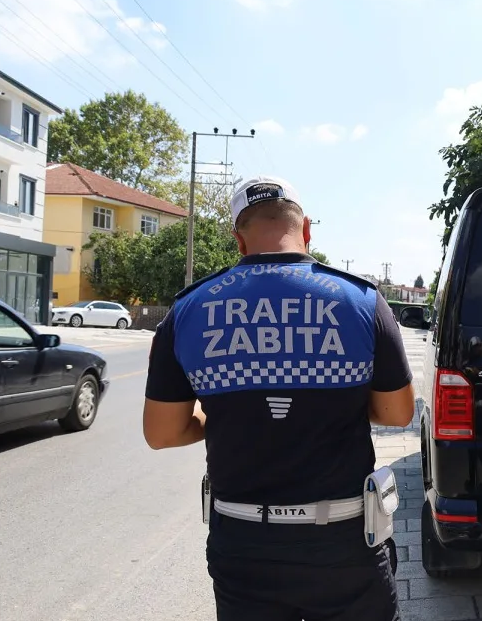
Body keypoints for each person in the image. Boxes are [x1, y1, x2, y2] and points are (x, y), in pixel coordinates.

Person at [142, 175, 415, 621]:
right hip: (343, 541)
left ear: (238, 239)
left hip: (243, 543)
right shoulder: (361, 301)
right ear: (305, 228)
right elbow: (398, 412)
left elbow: (162, 433)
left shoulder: (189, 309)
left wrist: (228, 415)